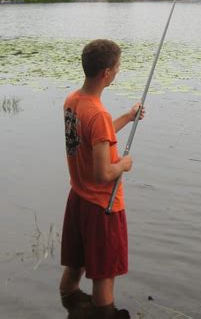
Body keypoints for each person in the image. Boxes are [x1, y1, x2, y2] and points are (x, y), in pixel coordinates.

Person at [59, 39, 144, 319]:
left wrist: (127, 117)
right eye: (117, 67)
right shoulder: (98, 114)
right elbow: (103, 173)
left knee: (75, 266)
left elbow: (97, 136)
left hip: (78, 200)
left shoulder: (73, 101)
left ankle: (70, 307)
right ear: (106, 73)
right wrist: (124, 165)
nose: (118, 71)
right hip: (102, 207)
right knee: (104, 277)